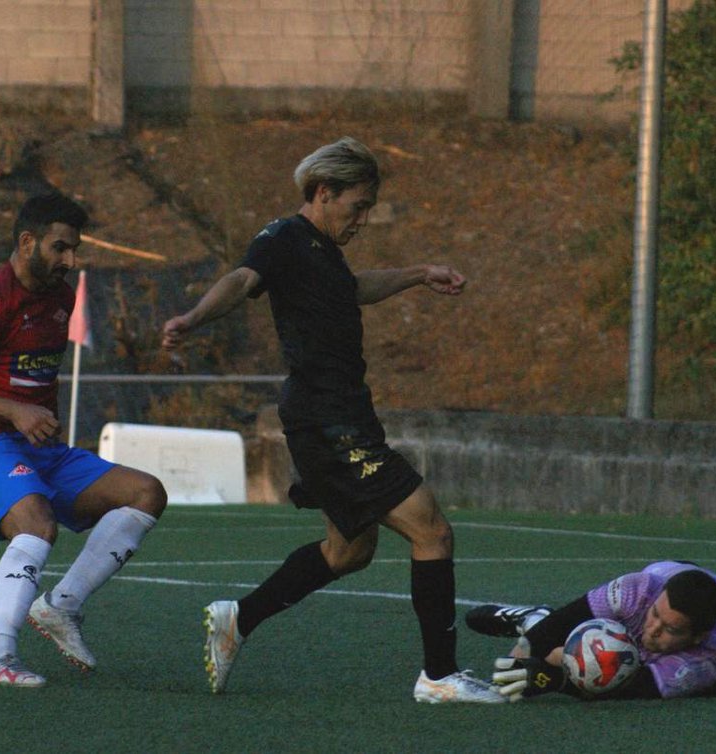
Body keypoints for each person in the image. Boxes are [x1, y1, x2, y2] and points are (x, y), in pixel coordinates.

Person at [160, 136, 502, 703]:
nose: (363, 219)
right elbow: (243, 281)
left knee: (350, 551)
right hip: (327, 420)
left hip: (340, 415)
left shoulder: (322, 252)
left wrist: (419, 273)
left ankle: (239, 618)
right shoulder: (283, 240)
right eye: (357, 206)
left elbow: (354, 289)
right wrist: (194, 317)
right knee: (432, 529)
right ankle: (439, 676)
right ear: (323, 192)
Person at [0, 192, 168, 687]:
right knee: (36, 526)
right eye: (61, 248)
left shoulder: (61, 296)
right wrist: (16, 411)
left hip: (43, 450)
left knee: (147, 492)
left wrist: (35, 419)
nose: (70, 261)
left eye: (75, 249)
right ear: (27, 241)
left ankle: (62, 607)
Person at [466, 560, 716, 700]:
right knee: (563, 637)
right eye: (655, 614)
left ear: (697, 637)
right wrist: (514, 666)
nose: (653, 629)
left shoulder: (707, 663)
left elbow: (623, 687)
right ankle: (537, 617)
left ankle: (540, 620)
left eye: (669, 628)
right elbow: (564, 620)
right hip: (671, 568)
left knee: (578, 658)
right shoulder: (638, 590)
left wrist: (553, 679)